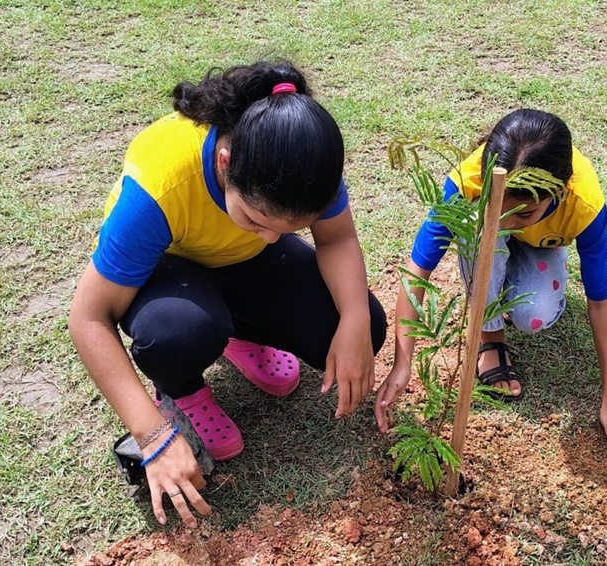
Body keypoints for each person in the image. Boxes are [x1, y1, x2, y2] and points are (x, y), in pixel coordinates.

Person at [68, 61, 387, 528]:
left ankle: (239, 334)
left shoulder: (307, 162)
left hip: (238, 263)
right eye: (256, 219)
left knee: (365, 326)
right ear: (224, 162)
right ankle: (182, 390)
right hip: (169, 271)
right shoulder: (160, 184)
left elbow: (336, 239)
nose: (272, 238)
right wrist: (154, 436)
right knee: (178, 333)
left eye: (288, 229)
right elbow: (88, 318)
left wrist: (355, 318)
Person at [373, 108, 607, 458]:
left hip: (540, 243)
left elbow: (600, 300)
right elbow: (418, 270)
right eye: (498, 207)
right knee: (478, 231)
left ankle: (527, 263)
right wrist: (402, 364)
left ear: (559, 192)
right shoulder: (468, 182)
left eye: (522, 213)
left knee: (535, 315)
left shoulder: (583, 203)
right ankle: (491, 337)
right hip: (481, 235)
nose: (505, 221)